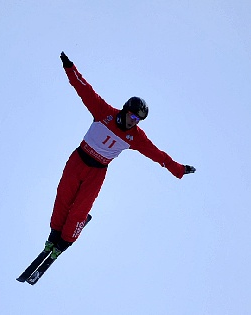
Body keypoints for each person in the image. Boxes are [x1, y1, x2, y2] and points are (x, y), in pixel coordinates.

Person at [45, 52, 196, 259]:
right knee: (63, 196)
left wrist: (178, 168)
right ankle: (54, 236)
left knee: (79, 209)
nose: (134, 122)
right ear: (125, 110)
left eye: (139, 120)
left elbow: (157, 154)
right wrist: (69, 67)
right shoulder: (103, 111)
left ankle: (64, 242)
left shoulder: (136, 137)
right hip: (78, 160)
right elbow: (84, 89)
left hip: (97, 172)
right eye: (133, 116)